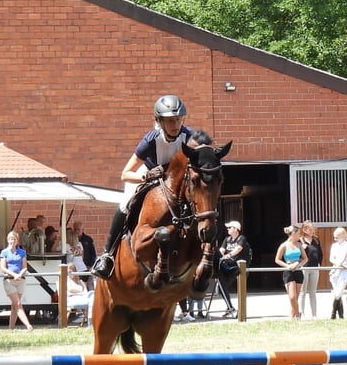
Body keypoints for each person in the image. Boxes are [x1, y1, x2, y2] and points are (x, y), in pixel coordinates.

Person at [91, 94, 192, 279]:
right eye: (170, 120)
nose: (175, 125)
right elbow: (125, 173)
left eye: (178, 119)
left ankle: (214, 256)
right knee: (125, 203)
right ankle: (107, 255)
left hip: (175, 185)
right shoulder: (151, 140)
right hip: (149, 178)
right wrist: (146, 175)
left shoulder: (189, 137)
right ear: (159, 121)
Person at [0, 230, 33, 331]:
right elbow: (3, 268)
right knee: (17, 304)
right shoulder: (4, 252)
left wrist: (20, 275)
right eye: (10, 239)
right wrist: (14, 275)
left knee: (14, 306)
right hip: (9, 281)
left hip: (20, 281)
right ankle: (28, 325)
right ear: (7, 240)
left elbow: (25, 267)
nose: (12, 241)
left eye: (14, 239)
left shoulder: (22, 252)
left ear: (17, 241)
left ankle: (11, 328)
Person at [217, 221, 251, 318]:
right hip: (229, 267)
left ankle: (241, 312)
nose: (228, 229)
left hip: (238, 267)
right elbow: (221, 250)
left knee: (240, 289)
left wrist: (229, 255)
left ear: (236, 229)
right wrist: (220, 256)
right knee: (222, 288)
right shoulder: (227, 239)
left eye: (229, 228)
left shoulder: (242, 238)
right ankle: (230, 307)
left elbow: (238, 249)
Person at [274, 224, 307, 320]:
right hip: (288, 271)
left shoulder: (299, 245)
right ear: (292, 234)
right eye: (298, 234)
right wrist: (288, 266)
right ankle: (298, 315)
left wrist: (299, 265)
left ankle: (292, 317)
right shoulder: (283, 245)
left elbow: (305, 259)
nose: (299, 236)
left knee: (295, 298)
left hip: (298, 271)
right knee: (292, 297)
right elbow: (277, 259)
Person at [298, 220, 322, 319]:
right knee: (302, 292)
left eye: (313, 229)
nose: (312, 231)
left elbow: (320, 253)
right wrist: (302, 249)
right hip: (304, 268)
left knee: (313, 292)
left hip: (314, 268)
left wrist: (319, 263)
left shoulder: (316, 240)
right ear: (304, 229)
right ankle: (302, 314)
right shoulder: (300, 240)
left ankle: (314, 315)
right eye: (310, 229)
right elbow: (296, 255)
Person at [329, 227, 347, 319]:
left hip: (343, 272)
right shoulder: (334, 246)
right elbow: (331, 258)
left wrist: (339, 266)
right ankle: (341, 315)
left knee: (338, 294)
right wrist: (338, 265)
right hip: (335, 271)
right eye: (334, 237)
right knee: (337, 294)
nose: (335, 239)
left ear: (342, 236)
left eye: (337, 237)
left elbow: (344, 256)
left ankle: (333, 313)